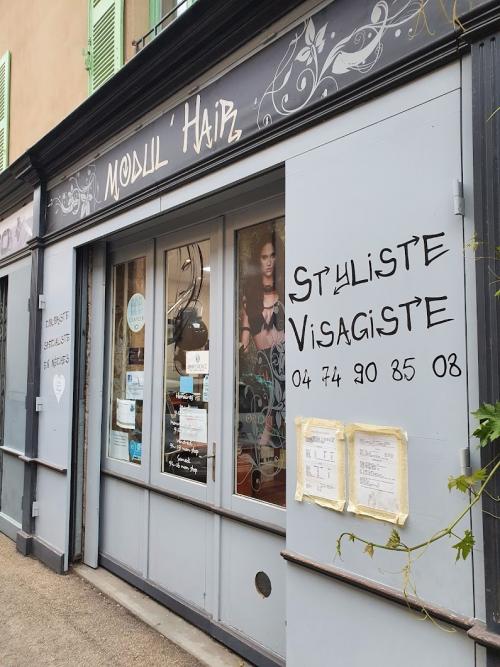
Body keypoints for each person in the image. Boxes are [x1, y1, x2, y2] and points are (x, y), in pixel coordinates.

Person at [237, 221, 286, 504]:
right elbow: (245, 334)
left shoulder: (286, 292)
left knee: (278, 423)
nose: (268, 262)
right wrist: (238, 349)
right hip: (263, 369)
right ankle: (258, 483)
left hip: (283, 364)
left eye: (273, 256)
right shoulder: (252, 298)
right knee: (263, 428)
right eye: (264, 257)